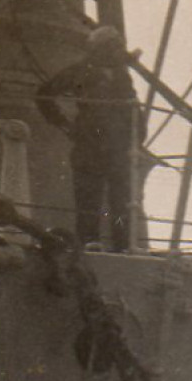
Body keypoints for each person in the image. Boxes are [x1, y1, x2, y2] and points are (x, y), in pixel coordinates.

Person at [35, 26, 139, 252]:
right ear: (101, 50)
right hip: (89, 147)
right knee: (89, 198)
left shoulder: (122, 77)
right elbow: (44, 95)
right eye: (113, 47)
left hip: (118, 149)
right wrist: (64, 124)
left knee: (121, 201)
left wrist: (138, 139)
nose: (118, 52)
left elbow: (133, 110)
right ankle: (89, 241)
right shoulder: (80, 72)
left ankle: (123, 244)